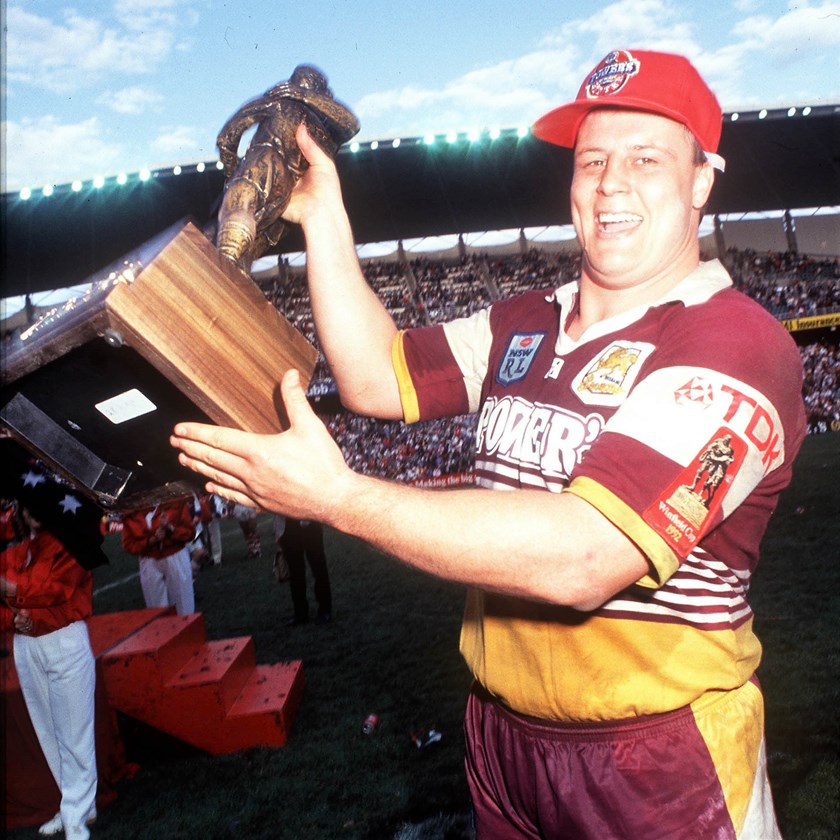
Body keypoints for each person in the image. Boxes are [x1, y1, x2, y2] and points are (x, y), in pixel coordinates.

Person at [172, 49, 806, 838]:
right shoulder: (527, 318)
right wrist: (324, 214)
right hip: (504, 737)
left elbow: (585, 556)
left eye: (647, 159)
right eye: (592, 161)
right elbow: (375, 375)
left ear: (702, 181)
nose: (611, 184)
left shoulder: (736, 341)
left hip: (658, 754)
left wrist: (337, 497)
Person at [0, 443, 107, 839]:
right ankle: (73, 803)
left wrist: (14, 595)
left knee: (74, 733)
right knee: (48, 731)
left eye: (37, 505)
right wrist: (15, 616)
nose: (31, 513)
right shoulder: (18, 552)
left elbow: (55, 591)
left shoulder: (73, 545)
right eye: (26, 507)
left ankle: (77, 818)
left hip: (64, 642)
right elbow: (12, 601)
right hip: (28, 646)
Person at [215, 64, 360, 271]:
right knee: (248, 250)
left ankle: (222, 268)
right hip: (288, 197)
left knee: (234, 227)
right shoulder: (322, 132)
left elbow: (226, 138)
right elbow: (351, 125)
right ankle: (230, 273)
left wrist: (232, 171)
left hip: (261, 167)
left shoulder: (276, 102)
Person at [120, 498, 196, 615]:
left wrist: (171, 529)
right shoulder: (131, 511)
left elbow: (189, 532)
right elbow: (129, 544)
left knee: (184, 606)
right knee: (156, 610)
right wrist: (150, 541)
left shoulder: (175, 501)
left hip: (175, 556)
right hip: (149, 560)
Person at [274, 516, 332, 625]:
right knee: (295, 571)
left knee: (318, 566)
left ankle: (325, 609)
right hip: (288, 523)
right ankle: (300, 612)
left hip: (309, 519)